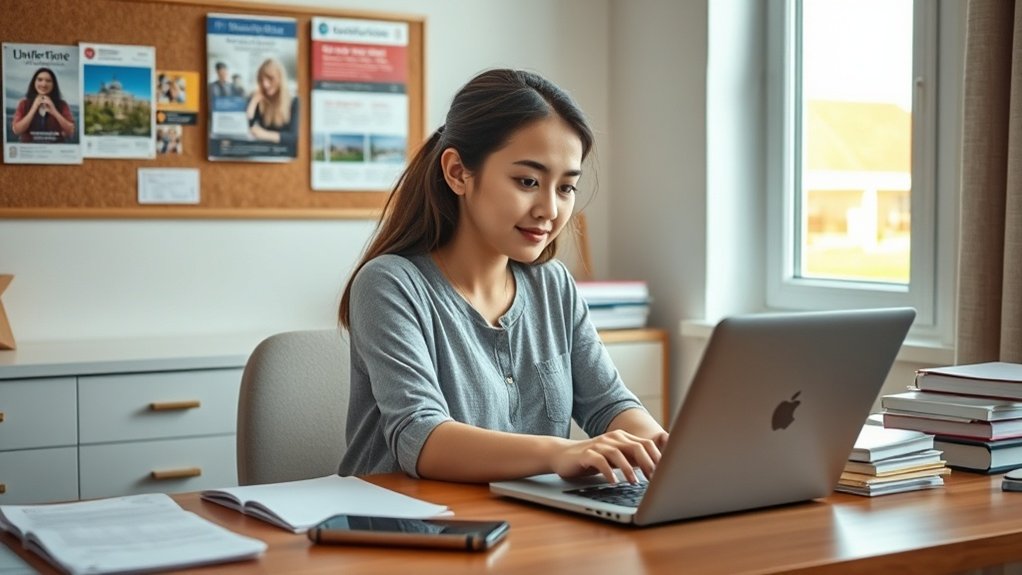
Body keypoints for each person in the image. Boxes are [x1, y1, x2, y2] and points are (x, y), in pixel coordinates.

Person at [337, 69, 668, 486]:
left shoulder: (554, 285)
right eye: (528, 181)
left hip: (525, 527)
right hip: (406, 529)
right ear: (458, 172)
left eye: (566, 188)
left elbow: (608, 403)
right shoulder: (390, 285)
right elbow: (420, 438)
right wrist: (562, 452)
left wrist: (662, 448)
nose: (550, 209)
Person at [10, 67, 76, 143]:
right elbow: (17, 131)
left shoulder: (62, 104)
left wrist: (54, 111)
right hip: (29, 151)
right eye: (40, 80)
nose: (44, 84)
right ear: (34, 82)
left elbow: (70, 131)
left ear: (53, 84)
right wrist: (34, 108)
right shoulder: (24, 103)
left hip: (55, 150)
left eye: (48, 81)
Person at [245, 58, 298, 150]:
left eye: (270, 79)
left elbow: (294, 137)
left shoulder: (294, 101)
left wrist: (264, 134)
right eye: (261, 80)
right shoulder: (258, 99)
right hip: (262, 153)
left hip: (284, 156)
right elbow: (247, 127)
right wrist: (253, 103)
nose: (265, 84)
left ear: (279, 78)